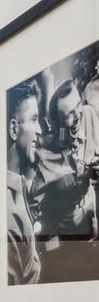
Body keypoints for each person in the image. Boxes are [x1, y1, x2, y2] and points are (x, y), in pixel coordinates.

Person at [32, 78, 99, 280]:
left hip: (94, 221)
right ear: (56, 124)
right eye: (69, 114)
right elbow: (35, 210)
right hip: (69, 242)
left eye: (78, 105)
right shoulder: (44, 159)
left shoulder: (89, 115)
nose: (78, 116)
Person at [6, 82, 41, 286]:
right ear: (13, 129)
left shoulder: (18, 187)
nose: (40, 129)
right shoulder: (9, 216)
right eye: (34, 119)